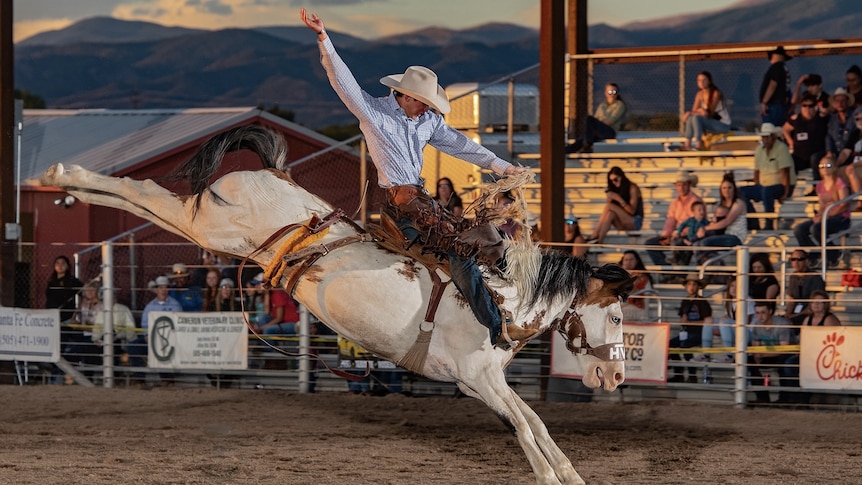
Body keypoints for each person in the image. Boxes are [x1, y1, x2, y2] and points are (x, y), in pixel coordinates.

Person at [301, 8, 525, 346]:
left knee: (484, 237)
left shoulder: (428, 122)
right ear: (403, 96)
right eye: (422, 103)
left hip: (420, 200)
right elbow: (342, 81)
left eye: (427, 104)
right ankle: (496, 326)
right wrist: (324, 39)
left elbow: (462, 145)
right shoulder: (373, 113)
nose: (427, 108)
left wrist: (503, 167)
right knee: (462, 249)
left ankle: (510, 304)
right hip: (402, 203)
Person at [794, 156, 851, 267]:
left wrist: (827, 215)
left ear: (834, 167)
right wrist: (819, 215)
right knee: (799, 229)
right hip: (826, 216)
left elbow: (844, 205)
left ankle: (834, 254)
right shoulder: (820, 185)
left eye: (828, 165)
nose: (824, 168)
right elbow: (822, 205)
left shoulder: (839, 182)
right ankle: (815, 254)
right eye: (821, 166)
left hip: (841, 218)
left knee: (816, 228)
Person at [127, 276, 184, 385]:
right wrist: (147, 335)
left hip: (168, 339)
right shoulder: (150, 306)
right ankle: (139, 378)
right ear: (156, 290)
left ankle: (166, 379)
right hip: (152, 338)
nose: (163, 290)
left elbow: (178, 324)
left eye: (165, 287)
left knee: (161, 346)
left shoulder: (175, 305)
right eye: (160, 287)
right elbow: (145, 325)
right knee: (133, 347)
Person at [739, 122, 795, 230]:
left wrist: (785, 192)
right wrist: (757, 186)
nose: (765, 140)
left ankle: (769, 222)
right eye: (763, 137)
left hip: (781, 185)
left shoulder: (781, 148)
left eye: (767, 137)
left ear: (773, 137)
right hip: (765, 185)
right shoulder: (759, 150)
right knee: (740, 191)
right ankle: (753, 221)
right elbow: (757, 171)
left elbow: (785, 171)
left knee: (766, 191)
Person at [645, 171, 703, 267]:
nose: (681, 188)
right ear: (676, 186)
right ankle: (666, 271)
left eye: (684, 185)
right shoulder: (675, 203)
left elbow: (694, 223)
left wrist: (675, 235)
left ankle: (678, 272)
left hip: (689, 235)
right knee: (651, 243)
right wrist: (666, 236)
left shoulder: (696, 201)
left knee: (682, 242)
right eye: (679, 185)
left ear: (689, 185)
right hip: (677, 234)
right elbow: (670, 221)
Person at [696, 275, 751, 364]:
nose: (734, 289)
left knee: (724, 321)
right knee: (709, 320)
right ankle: (705, 354)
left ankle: (728, 355)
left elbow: (747, 322)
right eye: (732, 286)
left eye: (737, 286)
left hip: (747, 333)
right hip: (733, 330)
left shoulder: (747, 300)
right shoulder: (729, 301)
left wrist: (724, 325)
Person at [694, 172, 748, 262]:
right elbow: (716, 224)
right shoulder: (721, 205)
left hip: (735, 237)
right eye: (724, 188)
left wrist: (705, 228)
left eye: (729, 188)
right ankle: (685, 269)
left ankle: (712, 266)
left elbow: (727, 221)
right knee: (695, 242)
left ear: (734, 189)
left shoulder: (739, 203)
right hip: (723, 234)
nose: (727, 190)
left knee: (705, 243)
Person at [668, 273, 711, 384]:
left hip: (699, 333)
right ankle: (679, 373)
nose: (691, 287)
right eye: (689, 284)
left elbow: (708, 321)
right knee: (670, 344)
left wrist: (692, 322)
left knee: (685, 345)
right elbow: (682, 319)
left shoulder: (703, 302)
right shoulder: (685, 301)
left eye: (694, 284)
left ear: (698, 287)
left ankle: (692, 375)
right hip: (686, 332)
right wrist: (683, 321)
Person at [747, 301, 793, 405]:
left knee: (783, 362)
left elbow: (784, 348)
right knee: (748, 361)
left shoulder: (782, 324)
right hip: (767, 354)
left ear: (770, 312)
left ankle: (784, 398)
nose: (760, 316)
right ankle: (762, 396)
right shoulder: (756, 325)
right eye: (757, 313)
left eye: (763, 312)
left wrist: (762, 354)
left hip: (786, 354)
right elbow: (755, 345)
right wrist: (757, 356)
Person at [565, 83, 627, 154]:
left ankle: (587, 145)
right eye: (610, 92)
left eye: (614, 92)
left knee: (589, 119)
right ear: (606, 93)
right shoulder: (602, 105)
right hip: (599, 131)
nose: (612, 94)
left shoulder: (620, 105)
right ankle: (566, 151)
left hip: (609, 131)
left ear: (617, 93)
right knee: (581, 140)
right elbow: (596, 119)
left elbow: (609, 121)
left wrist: (597, 124)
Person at [587, 166, 643, 244]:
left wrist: (619, 199)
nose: (614, 182)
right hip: (622, 222)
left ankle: (595, 233)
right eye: (611, 181)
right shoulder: (616, 188)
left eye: (616, 179)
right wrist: (610, 199)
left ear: (621, 177)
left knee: (609, 207)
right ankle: (599, 240)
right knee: (610, 213)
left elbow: (632, 211)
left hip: (634, 221)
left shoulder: (632, 188)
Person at [782, 92, 829, 179]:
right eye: (804, 105)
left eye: (810, 106)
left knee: (815, 159)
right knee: (787, 160)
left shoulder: (822, 118)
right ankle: (788, 188)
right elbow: (785, 129)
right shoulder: (796, 119)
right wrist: (790, 141)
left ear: (815, 106)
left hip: (817, 155)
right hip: (799, 156)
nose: (807, 108)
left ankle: (817, 187)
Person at [681, 71, 731, 150]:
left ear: (709, 81)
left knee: (696, 118)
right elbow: (694, 112)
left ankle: (698, 143)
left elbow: (708, 113)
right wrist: (692, 113)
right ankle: (688, 143)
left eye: (704, 80)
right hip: (709, 123)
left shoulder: (715, 93)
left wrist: (699, 111)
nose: (701, 82)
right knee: (692, 118)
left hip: (721, 125)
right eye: (699, 80)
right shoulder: (699, 94)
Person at [784, 249, 826, 326]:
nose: (796, 262)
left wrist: (795, 315)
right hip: (796, 311)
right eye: (793, 259)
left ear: (806, 261)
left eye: (799, 259)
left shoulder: (815, 278)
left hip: (810, 313)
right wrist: (788, 314)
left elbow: (815, 304)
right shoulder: (793, 277)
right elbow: (791, 300)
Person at [759, 45, 792, 125]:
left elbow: (773, 84)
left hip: (774, 104)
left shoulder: (777, 67)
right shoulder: (783, 68)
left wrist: (764, 102)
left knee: (770, 129)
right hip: (780, 104)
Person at [669, 200, 709, 265]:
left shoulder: (705, 222)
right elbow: (682, 225)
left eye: (703, 210)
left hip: (697, 240)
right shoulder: (690, 220)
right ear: (693, 212)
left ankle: (698, 263)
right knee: (676, 242)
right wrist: (678, 232)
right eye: (699, 210)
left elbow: (707, 229)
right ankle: (675, 257)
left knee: (696, 247)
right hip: (688, 237)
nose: (702, 212)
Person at [45, 255, 83, 323]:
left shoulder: (72, 281)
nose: (60, 265)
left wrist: (76, 311)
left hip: (66, 316)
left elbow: (83, 294)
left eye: (63, 263)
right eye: (57, 263)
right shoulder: (51, 281)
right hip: (51, 315)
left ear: (68, 266)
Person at [837, 107, 862, 210]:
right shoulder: (855, 133)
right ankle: (842, 203)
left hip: (858, 166)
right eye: (857, 119)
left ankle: (860, 201)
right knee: (834, 172)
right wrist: (836, 164)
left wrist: (854, 165)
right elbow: (846, 152)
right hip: (856, 165)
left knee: (851, 170)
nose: (860, 121)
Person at [618, 250, 653, 322]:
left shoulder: (643, 277)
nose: (628, 262)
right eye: (626, 260)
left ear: (637, 261)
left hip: (638, 309)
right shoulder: (617, 276)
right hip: (620, 307)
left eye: (631, 259)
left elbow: (647, 293)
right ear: (622, 262)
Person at [825, 87, 856, 160]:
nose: (840, 103)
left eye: (843, 101)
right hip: (836, 152)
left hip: (851, 153)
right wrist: (829, 151)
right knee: (816, 158)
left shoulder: (855, 116)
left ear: (847, 102)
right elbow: (829, 136)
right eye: (837, 101)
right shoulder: (832, 119)